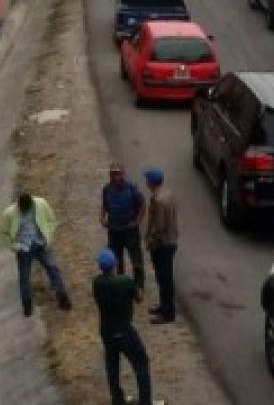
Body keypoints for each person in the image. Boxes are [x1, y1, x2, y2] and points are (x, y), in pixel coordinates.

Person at [93, 248, 153, 405]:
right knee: (141, 362)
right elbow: (139, 298)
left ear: (100, 267)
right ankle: (145, 401)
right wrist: (137, 287)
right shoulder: (125, 281)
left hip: (106, 330)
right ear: (115, 264)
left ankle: (117, 399)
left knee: (112, 365)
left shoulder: (97, 283)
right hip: (124, 330)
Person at [0, 192, 72, 316]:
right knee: (24, 277)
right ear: (18, 205)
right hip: (24, 249)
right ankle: (27, 305)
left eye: (27, 208)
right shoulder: (9, 214)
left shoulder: (41, 204)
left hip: (41, 244)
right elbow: (4, 234)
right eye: (22, 209)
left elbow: (51, 221)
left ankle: (62, 297)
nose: (25, 210)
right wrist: (16, 246)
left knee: (53, 269)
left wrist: (47, 237)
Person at [100, 163, 145, 291]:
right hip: (114, 231)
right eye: (113, 174)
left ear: (123, 174)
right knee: (116, 260)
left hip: (130, 230)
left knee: (136, 261)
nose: (115, 177)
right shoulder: (106, 189)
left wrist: (137, 221)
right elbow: (104, 205)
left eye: (118, 173)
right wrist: (102, 218)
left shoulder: (131, 188)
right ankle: (120, 284)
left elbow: (142, 205)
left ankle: (139, 287)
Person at [143, 169, 178, 324]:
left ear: (150, 182)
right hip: (171, 240)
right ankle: (164, 306)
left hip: (162, 244)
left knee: (164, 279)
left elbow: (159, 227)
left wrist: (151, 242)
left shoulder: (158, 200)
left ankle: (168, 313)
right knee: (164, 278)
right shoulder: (168, 194)